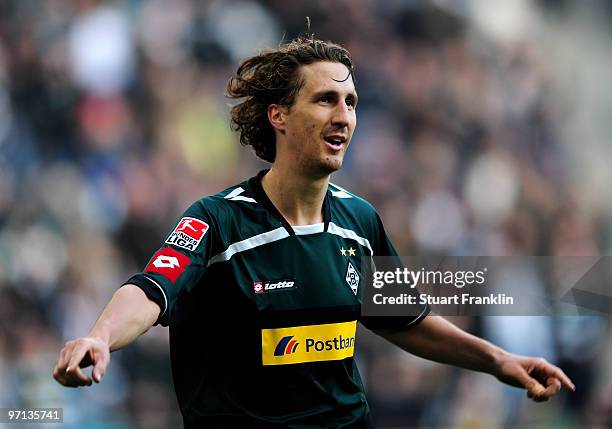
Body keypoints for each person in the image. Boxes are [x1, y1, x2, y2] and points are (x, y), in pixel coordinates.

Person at [53, 36, 574, 428]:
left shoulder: (360, 221)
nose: (343, 115)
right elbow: (150, 290)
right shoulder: (217, 221)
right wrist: (100, 336)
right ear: (278, 115)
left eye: (350, 102)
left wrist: (498, 360)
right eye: (326, 99)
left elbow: (405, 320)